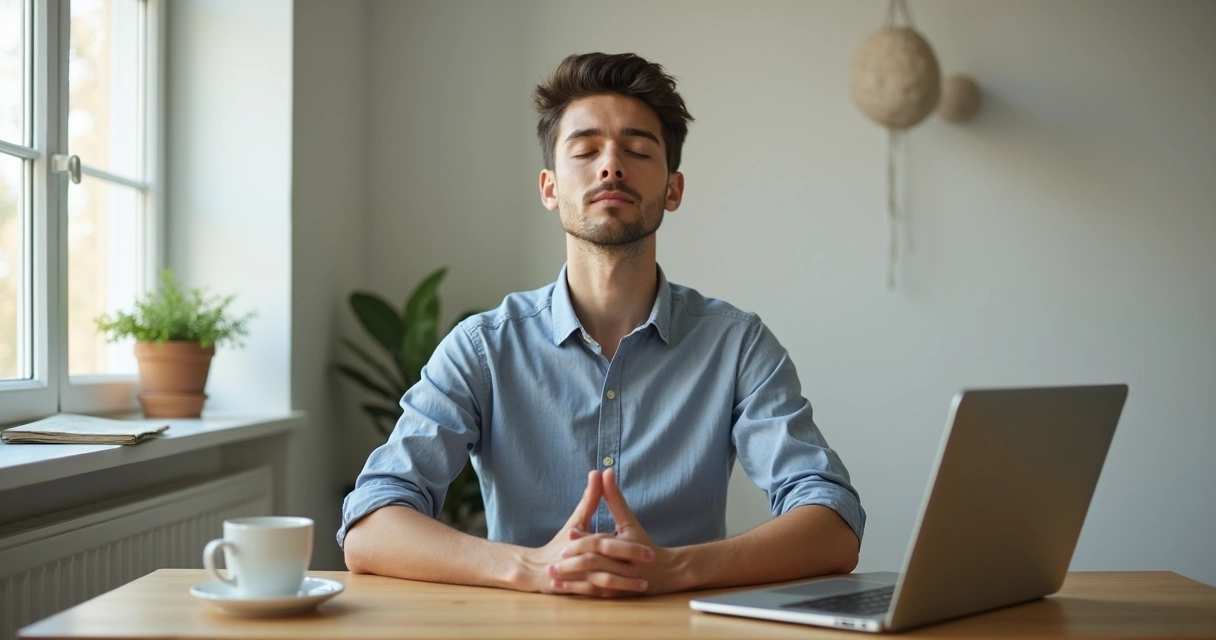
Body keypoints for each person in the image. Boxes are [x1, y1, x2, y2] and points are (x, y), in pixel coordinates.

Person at [339, 52, 864, 598]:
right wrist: (530, 568)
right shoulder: (482, 348)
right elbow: (371, 525)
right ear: (549, 188)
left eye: (638, 150)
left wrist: (677, 569)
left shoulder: (736, 344)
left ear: (673, 189)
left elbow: (833, 522)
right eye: (586, 150)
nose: (611, 165)